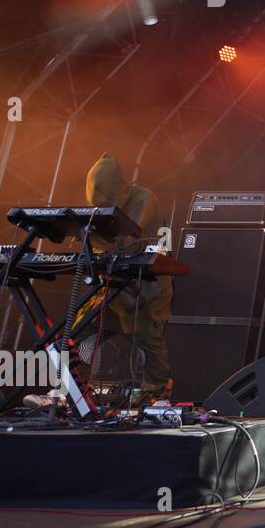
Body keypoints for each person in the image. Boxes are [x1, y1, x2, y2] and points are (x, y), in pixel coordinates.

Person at [83, 153, 174, 405]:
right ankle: (69, 391)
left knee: (148, 339)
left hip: (145, 287)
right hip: (111, 288)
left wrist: (91, 237)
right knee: (78, 332)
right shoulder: (100, 209)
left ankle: (156, 396)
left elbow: (126, 238)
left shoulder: (143, 198)